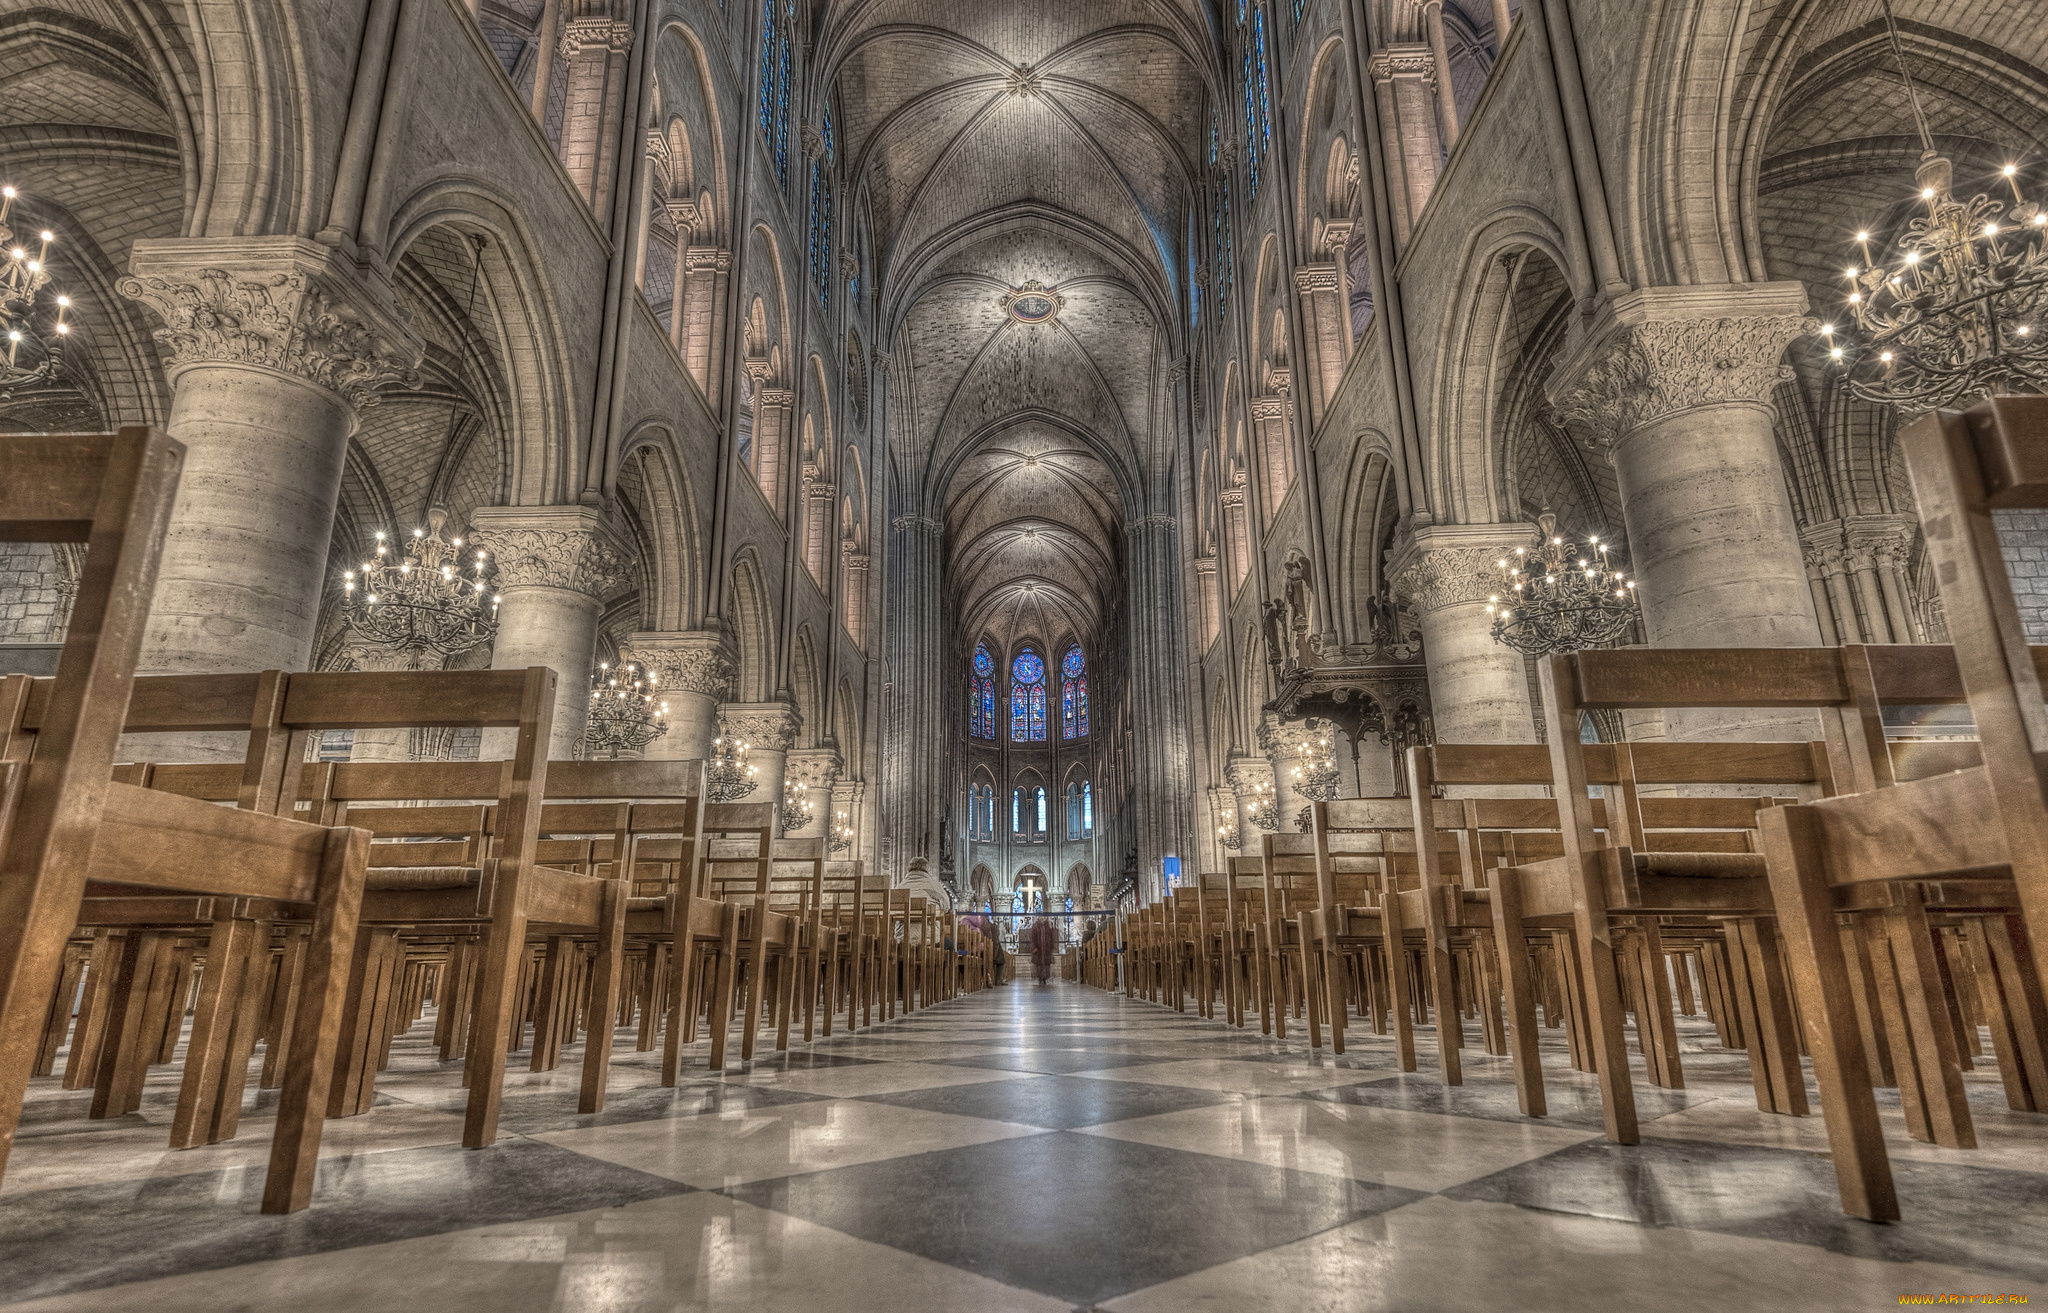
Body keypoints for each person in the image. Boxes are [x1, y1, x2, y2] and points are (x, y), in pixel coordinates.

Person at [1027, 915, 1058, 985]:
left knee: (1046, 964)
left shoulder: (1048, 927)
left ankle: (1045, 978)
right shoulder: (1035, 927)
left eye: (1042, 916)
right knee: (1039, 964)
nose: (1041, 918)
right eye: (1040, 916)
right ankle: (1040, 978)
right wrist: (1034, 947)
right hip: (1038, 950)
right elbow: (1032, 938)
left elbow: (1051, 937)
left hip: (1046, 949)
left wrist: (1051, 946)